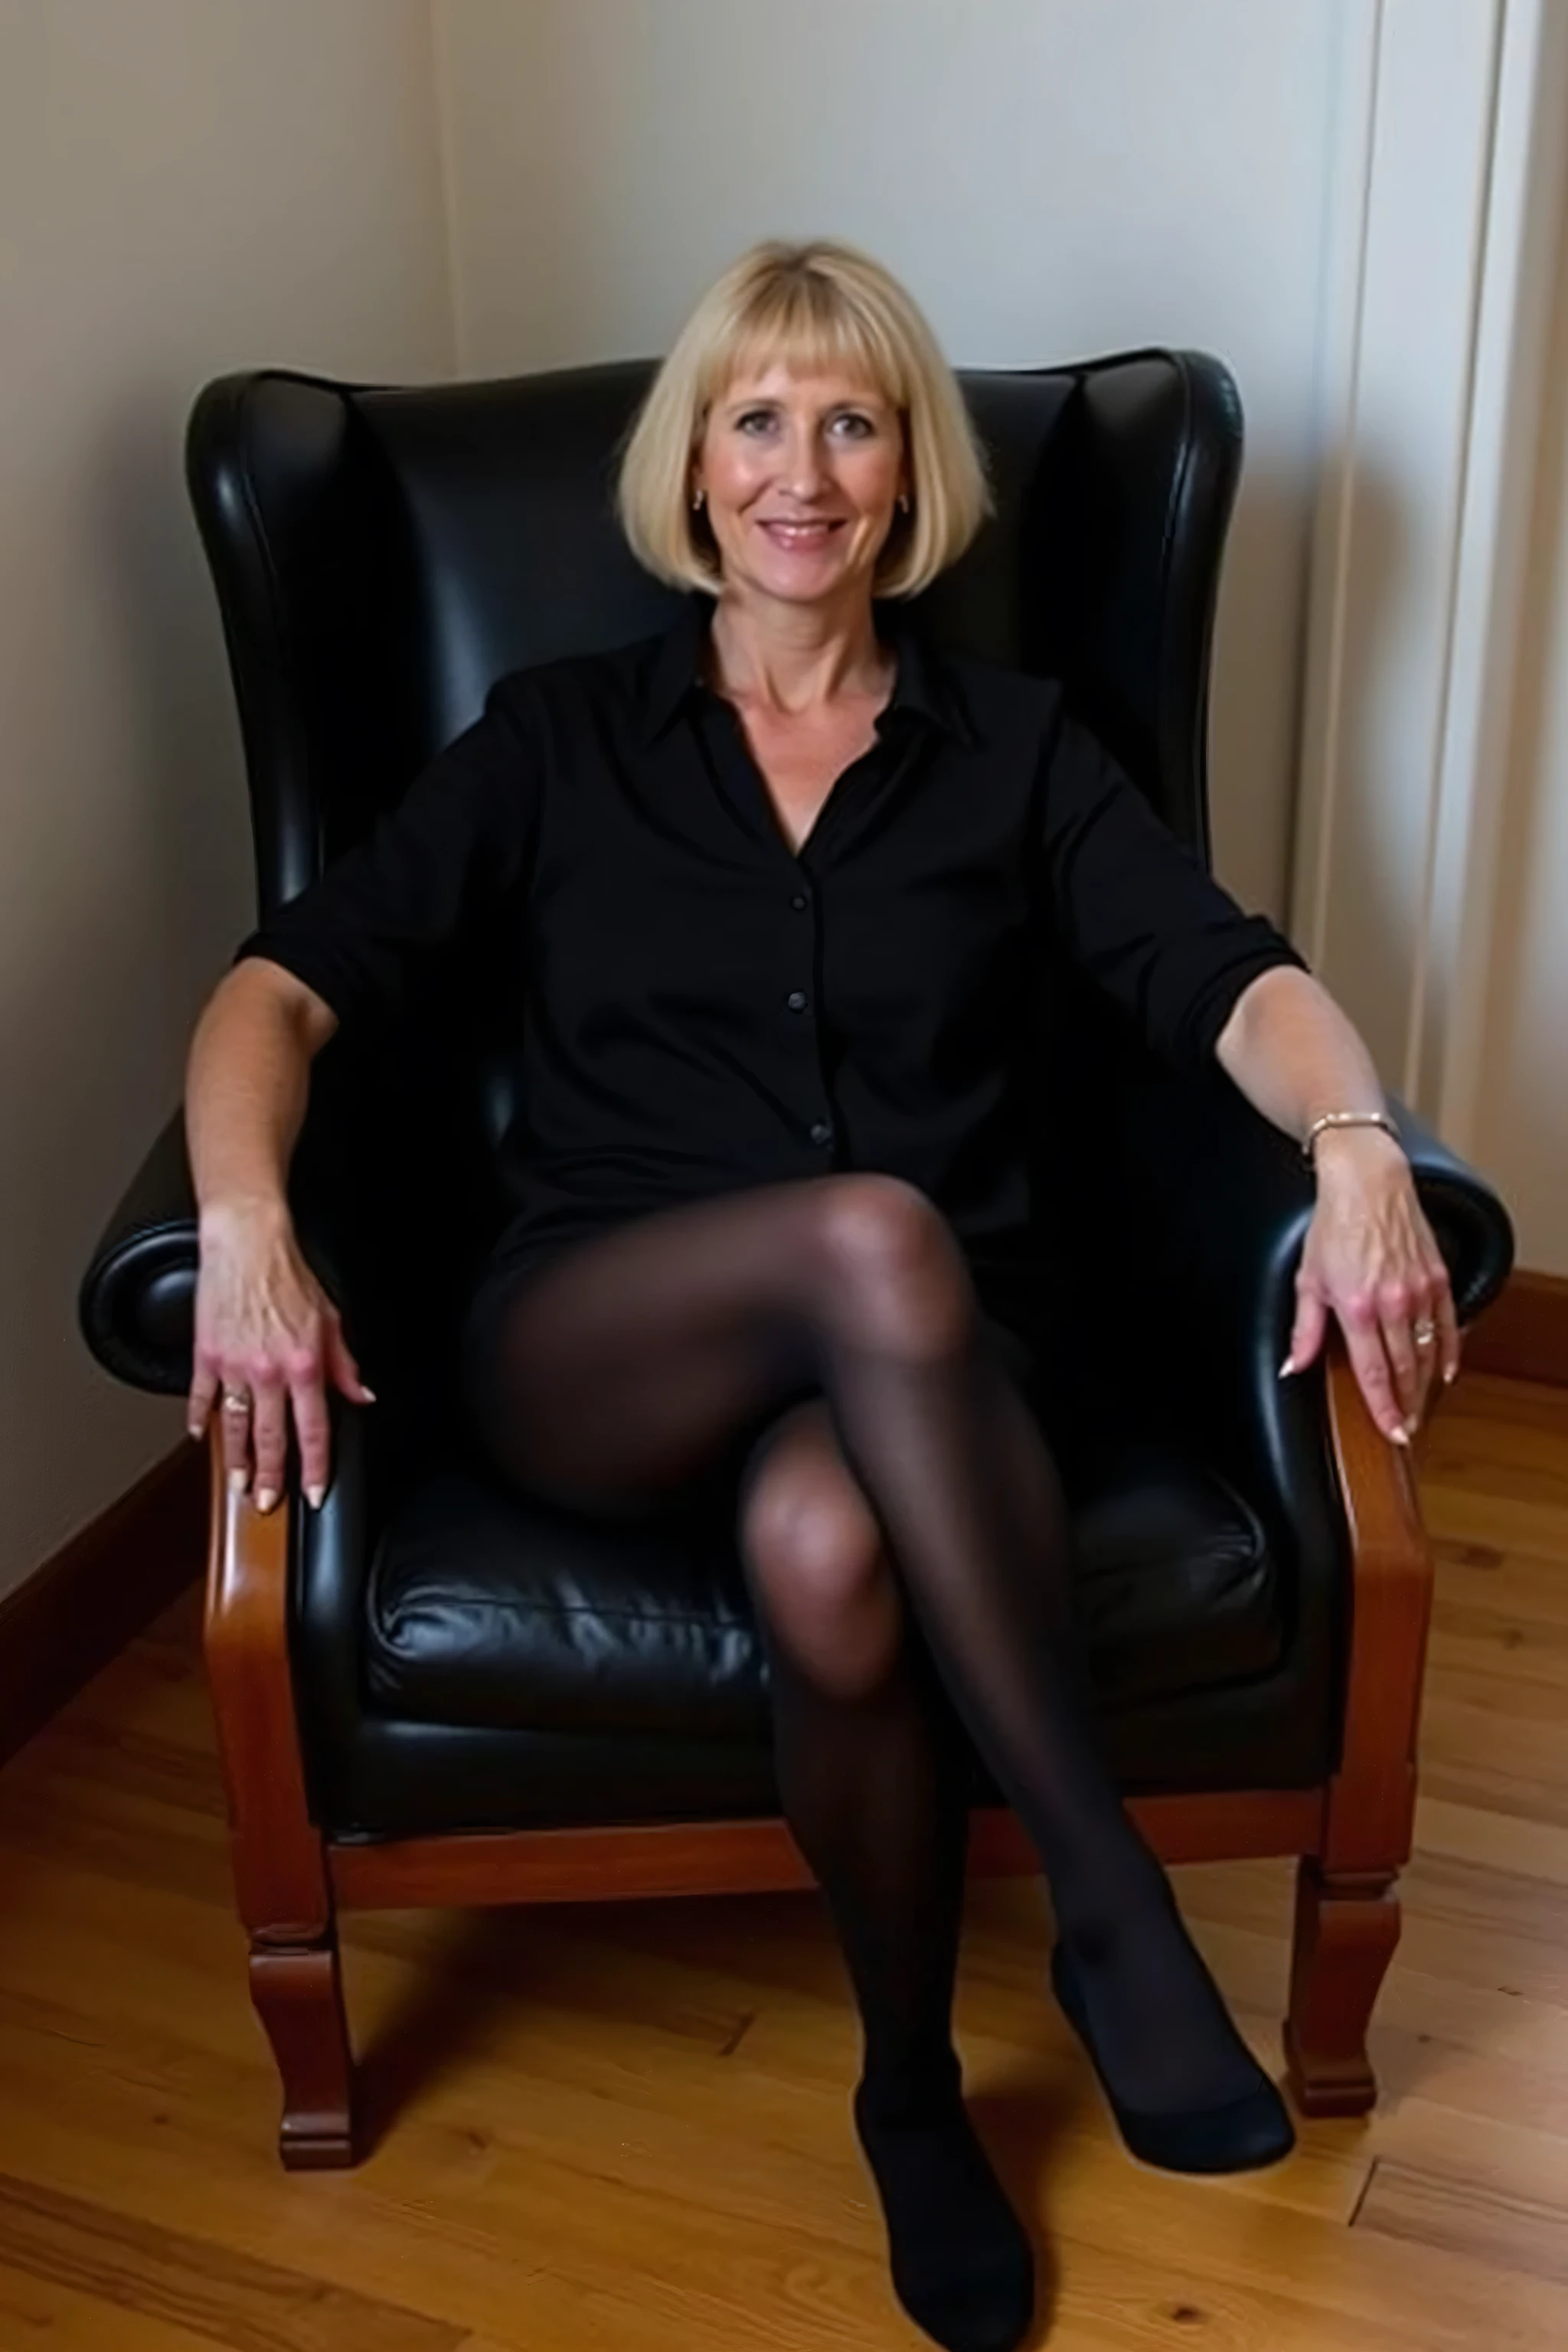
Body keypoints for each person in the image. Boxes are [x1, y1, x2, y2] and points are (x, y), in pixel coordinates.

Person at [184, 241, 1459, 2352]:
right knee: (874, 1231)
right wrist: (244, 1213)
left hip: (936, 1386)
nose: (804, 468)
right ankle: (1109, 1904)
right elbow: (278, 992)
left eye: (851, 421)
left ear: (907, 477)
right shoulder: (557, 739)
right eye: (759, 420)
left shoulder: (1021, 753)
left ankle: (905, 2091)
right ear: (696, 468)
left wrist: (1355, 1143)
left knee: (829, 1535)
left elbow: (1228, 977)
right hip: (601, 1341)